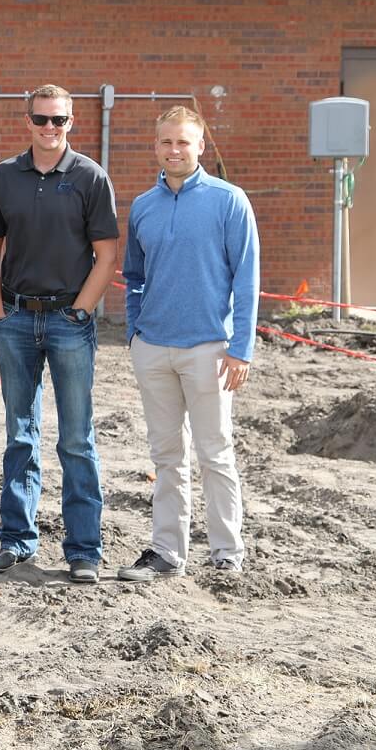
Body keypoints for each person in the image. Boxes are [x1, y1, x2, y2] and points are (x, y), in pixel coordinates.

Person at [0, 83, 119, 584]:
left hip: (68, 323)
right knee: (20, 435)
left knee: (76, 439)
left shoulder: (90, 177)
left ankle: (84, 549)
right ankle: (16, 541)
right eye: (41, 120)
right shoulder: (3, 177)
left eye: (59, 120)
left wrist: (81, 312)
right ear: (27, 122)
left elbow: (107, 257)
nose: (50, 128)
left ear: (72, 122)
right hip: (15, 319)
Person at [119, 106, 258, 580]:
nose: (174, 150)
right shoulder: (143, 206)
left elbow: (247, 279)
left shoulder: (229, 200)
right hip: (153, 348)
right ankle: (166, 553)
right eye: (166, 142)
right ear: (155, 147)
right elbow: (133, 277)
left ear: (201, 146)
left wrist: (241, 348)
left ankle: (227, 553)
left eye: (184, 142)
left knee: (215, 453)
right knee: (165, 456)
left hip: (210, 350)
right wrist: (135, 331)